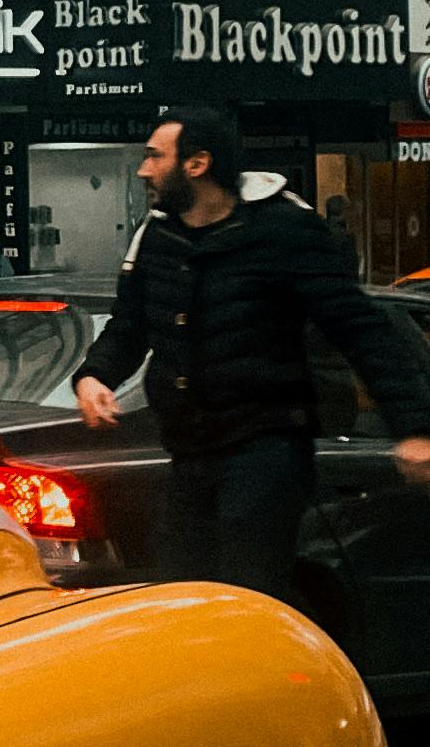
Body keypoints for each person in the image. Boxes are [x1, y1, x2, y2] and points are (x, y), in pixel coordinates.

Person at [73, 110, 430, 604]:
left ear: (197, 164)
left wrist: (414, 428)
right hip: (187, 454)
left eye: (155, 156)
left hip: (264, 452)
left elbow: (360, 329)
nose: (143, 170)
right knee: (180, 598)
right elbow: (130, 325)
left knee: (246, 598)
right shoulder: (158, 237)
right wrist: (93, 376)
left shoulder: (286, 230)